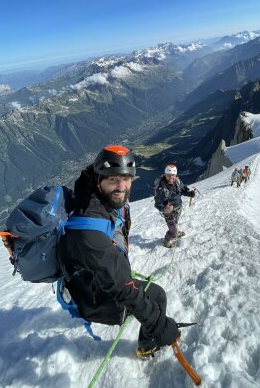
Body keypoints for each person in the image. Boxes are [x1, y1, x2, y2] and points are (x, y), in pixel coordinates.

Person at [58, 145, 180, 357]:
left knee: (143, 295)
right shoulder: (88, 226)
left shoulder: (95, 196)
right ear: (99, 179)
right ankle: (147, 345)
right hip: (92, 298)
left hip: (91, 282)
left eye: (126, 179)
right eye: (113, 179)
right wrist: (159, 324)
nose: (121, 186)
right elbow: (121, 287)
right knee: (157, 296)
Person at [154, 164, 195, 248]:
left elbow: (182, 190)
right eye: (168, 176)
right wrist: (165, 208)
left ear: (175, 175)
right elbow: (157, 204)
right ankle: (167, 239)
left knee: (175, 223)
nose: (171, 178)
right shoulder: (161, 189)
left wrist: (189, 193)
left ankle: (175, 231)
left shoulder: (178, 182)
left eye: (173, 175)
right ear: (165, 175)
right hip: (168, 213)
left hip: (178, 209)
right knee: (173, 231)